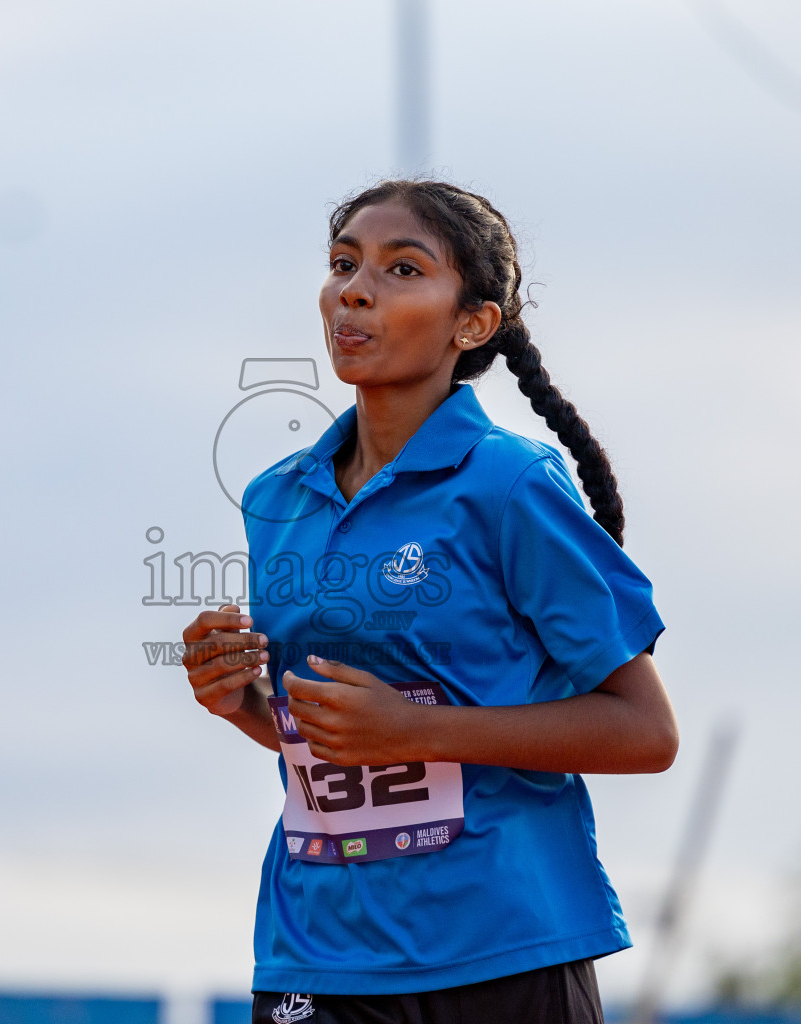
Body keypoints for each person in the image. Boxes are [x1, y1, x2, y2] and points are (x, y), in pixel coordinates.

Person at [181, 180, 679, 1024]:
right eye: (344, 265)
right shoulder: (277, 499)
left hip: (499, 948)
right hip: (318, 952)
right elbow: (342, 734)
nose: (356, 290)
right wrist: (242, 703)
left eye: (401, 268)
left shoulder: (510, 484)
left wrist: (422, 730)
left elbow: (645, 731)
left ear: (473, 323)